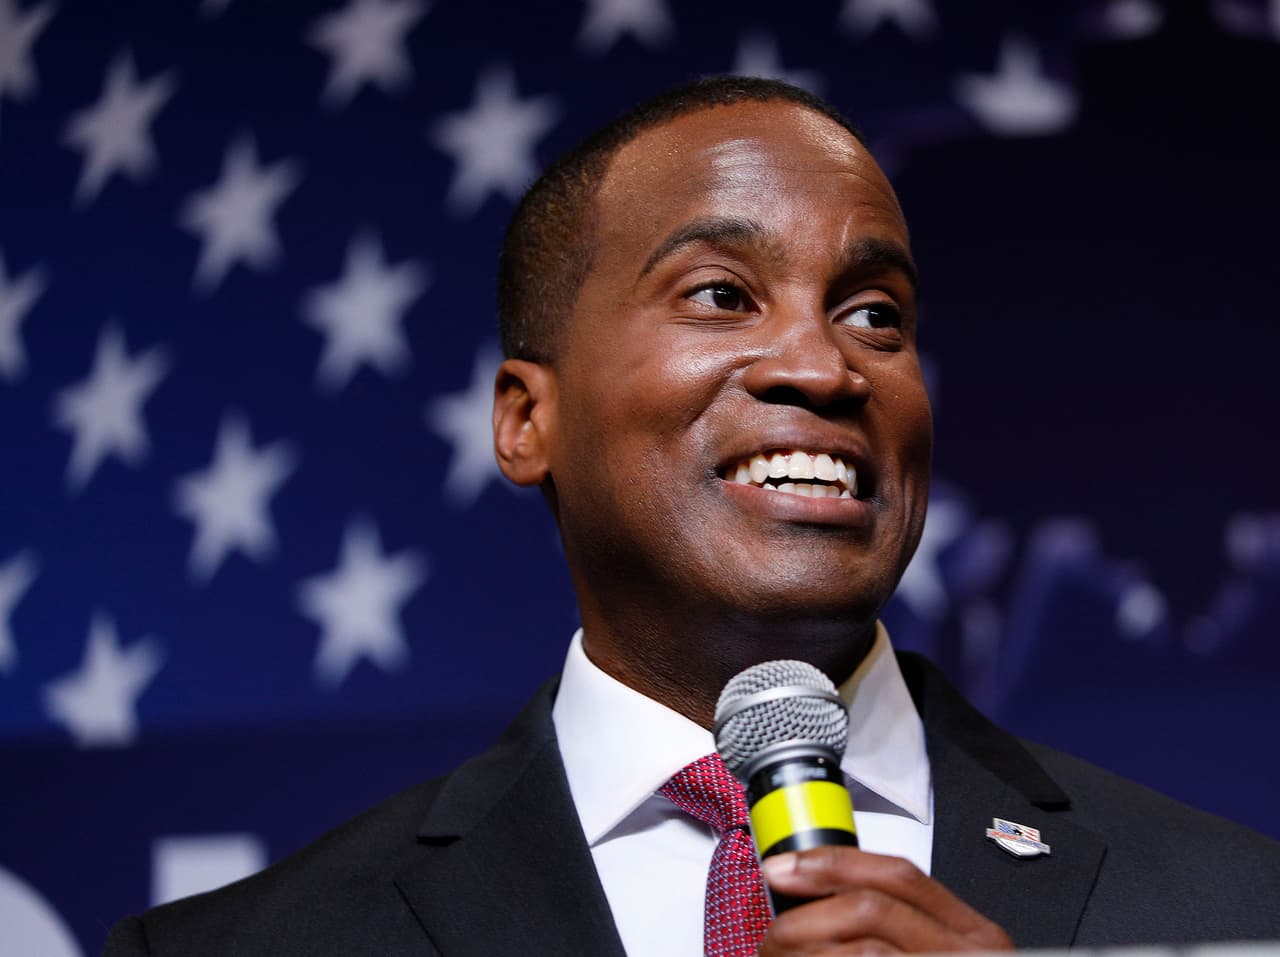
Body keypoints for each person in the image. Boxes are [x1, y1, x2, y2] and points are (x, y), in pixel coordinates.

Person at [104, 76, 1280, 956]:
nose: (824, 367)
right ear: (526, 420)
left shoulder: (1236, 912)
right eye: (721, 295)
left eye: (875, 314)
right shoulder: (243, 949)